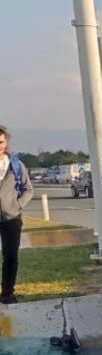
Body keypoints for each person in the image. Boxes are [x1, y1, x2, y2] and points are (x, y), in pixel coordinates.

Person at [0, 125, 34, 304]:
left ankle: (7, 292)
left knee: (10, 255)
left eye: (1, 142)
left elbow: (29, 189)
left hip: (11, 218)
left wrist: (18, 205)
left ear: (6, 143)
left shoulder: (15, 165)